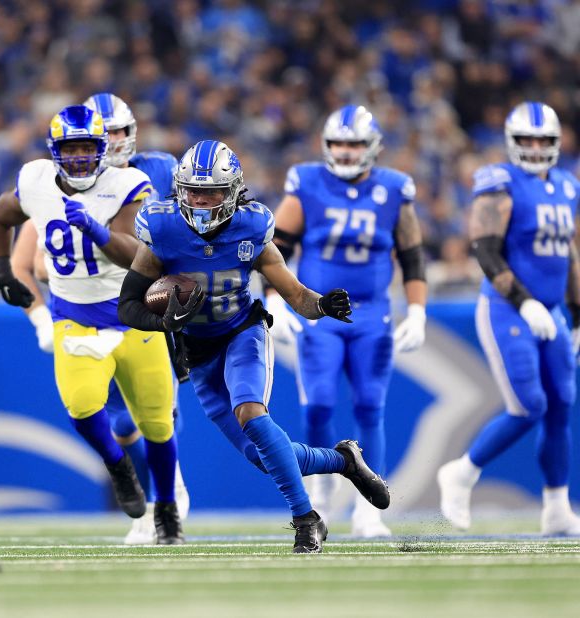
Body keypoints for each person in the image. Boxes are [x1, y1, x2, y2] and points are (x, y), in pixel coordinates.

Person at [117, 139, 390, 553]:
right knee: (263, 456)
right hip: (198, 352)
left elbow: (295, 294)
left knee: (251, 413)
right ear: (178, 188)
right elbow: (127, 306)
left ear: (233, 192)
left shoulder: (252, 226)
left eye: (211, 192)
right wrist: (162, 321)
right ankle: (344, 461)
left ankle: (306, 519)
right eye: (193, 190)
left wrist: (321, 305)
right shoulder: (162, 227)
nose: (202, 201)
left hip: (243, 331)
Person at [0, 104, 184, 544]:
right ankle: (118, 466)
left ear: (102, 150)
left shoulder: (128, 183)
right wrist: (1, 268)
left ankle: (168, 511)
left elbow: (137, 254)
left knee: (158, 424)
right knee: (81, 409)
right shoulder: (36, 181)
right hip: (74, 317)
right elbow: (1, 216)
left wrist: (96, 230)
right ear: (55, 152)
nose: (79, 158)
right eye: (70, 150)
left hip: (133, 316)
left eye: (87, 149)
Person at [267, 105, 427, 537]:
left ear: (372, 146)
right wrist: (274, 298)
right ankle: (320, 492)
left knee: (370, 406)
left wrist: (417, 309)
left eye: (354, 143)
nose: (345, 151)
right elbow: (275, 245)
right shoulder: (307, 181)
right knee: (317, 403)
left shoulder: (394, 188)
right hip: (320, 312)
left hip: (373, 313)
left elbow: (412, 254)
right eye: (338, 143)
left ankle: (368, 510)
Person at [438, 101, 580, 535]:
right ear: (511, 142)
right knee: (529, 404)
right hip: (506, 308)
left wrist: (576, 313)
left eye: (543, 140)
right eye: (527, 140)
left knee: (561, 405)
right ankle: (462, 472)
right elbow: (484, 248)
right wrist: (524, 300)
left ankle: (556, 508)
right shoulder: (500, 182)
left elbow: (568, 254)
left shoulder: (567, 186)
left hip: (551, 311)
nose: (536, 148)